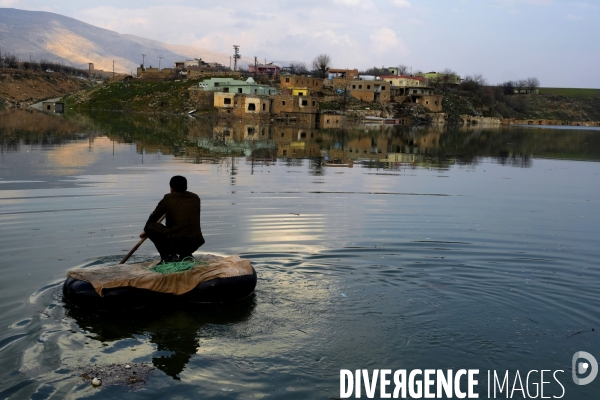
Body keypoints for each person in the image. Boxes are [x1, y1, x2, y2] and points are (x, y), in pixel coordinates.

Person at [140, 176, 205, 263]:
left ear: (171, 188)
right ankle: (186, 254)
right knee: (182, 231)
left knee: (150, 227)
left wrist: (146, 230)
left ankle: (168, 256)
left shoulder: (168, 198)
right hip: (195, 242)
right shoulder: (195, 198)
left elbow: (154, 217)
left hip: (177, 242)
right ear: (186, 187)